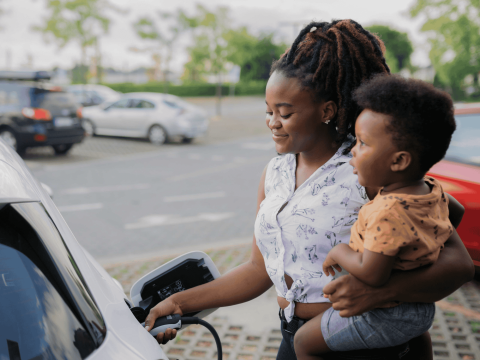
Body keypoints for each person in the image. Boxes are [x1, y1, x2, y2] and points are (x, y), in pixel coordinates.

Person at [145, 20, 474, 359]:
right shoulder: (274, 173)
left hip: (365, 342)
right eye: (269, 111)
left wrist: (380, 292)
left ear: (327, 110)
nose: (273, 122)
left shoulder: (368, 168)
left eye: (285, 113)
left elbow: (458, 263)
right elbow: (259, 271)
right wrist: (178, 304)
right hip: (295, 338)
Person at [293, 74, 461, 360]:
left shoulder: (389, 211)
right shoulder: (429, 190)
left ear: (398, 161)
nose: (353, 152)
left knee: (303, 343)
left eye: (362, 144)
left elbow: (372, 272)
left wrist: (340, 250)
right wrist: (416, 249)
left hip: (385, 314)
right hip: (420, 308)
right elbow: (455, 213)